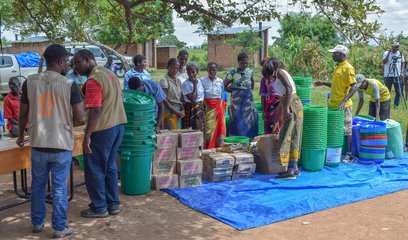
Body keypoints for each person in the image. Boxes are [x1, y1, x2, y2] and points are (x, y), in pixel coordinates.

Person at [16, 44, 83, 238]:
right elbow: (79, 118)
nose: (68, 65)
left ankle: (37, 223)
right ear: (61, 61)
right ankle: (59, 228)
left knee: (37, 185)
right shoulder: (69, 85)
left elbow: (22, 114)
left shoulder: (30, 82)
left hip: (38, 142)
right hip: (61, 144)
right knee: (60, 188)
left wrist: (21, 135)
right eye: (67, 62)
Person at [73, 49, 127, 218]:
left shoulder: (94, 80)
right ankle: (113, 204)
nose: (75, 67)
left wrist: (87, 136)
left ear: (88, 59)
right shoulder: (108, 74)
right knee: (110, 167)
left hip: (103, 129)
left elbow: (96, 110)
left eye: (77, 62)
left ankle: (99, 207)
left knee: (94, 168)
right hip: (118, 125)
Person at [315, 45, 358, 161]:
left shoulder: (348, 68)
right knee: (334, 128)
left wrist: (344, 101)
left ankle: (349, 154)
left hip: (343, 105)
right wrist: (323, 83)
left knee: (346, 129)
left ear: (342, 55)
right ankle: (336, 152)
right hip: (333, 104)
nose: (332, 55)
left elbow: (354, 86)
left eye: (335, 53)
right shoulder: (338, 67)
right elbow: (336, 85)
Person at [262, 58, 303, 180]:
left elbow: (289, 89)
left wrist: (286, 110)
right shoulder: (280, 75)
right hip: (293, 104)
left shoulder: (280, 72)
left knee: (286, 136)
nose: (269, 78)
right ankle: (294, 169)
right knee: (294, 135)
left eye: (268, 74)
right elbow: (281, 101)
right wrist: (276, 121)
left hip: (292, 104)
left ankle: (289, 170)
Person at [224, 52, 258, 138]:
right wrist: (234, 92)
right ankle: (236, 140)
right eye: (242, 63)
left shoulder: (250, 72)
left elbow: (252, 85)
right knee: (237, 120)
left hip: (248, 101)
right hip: (236, 102)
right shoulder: (232, 72)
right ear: (238, 62)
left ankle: (249, 139)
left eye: (246, 62)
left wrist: (248, 93)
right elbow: (224, 85)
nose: (245, 64)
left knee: (249, 119)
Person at [201, 62, 226, 148]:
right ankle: (209, 147)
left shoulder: (220, 81)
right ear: (207, 70)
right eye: (210, 70)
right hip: (207, 107)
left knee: (220, 127)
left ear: (216, 70)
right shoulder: (202, 80)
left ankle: (218, 147)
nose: (212, 72)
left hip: (218, 107)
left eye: (214, 70)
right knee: (209, 128)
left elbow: (223, 95)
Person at [160, 58, 185, 130]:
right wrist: (175, 111)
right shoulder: (164, 80)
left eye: (177, 68)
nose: (175, 70)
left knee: (178, 133)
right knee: (171, 135)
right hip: (169, 110)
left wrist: (182, 110)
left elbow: (181, 97)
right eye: (172, 68)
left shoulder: (178, 80)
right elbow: (164, 99)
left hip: (178, 110)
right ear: (167, 67)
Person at [181, 62, 205, 132]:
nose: (191, 74)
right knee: (191, 129)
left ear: (197, 72)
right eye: (189, 72)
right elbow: (193, 99)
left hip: (200, 107)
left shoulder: (200, 81)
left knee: (200, 128)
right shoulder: (186, 84)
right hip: (191, 108)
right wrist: (195, 85)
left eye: (193, 72)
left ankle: (200, 142)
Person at [260, 59, 281, 134]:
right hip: (269, 106)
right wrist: (263, 111)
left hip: (280, 103)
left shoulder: (280, 77)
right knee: (270, 125)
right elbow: (262, 96)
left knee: (280, 124)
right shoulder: (264, 79)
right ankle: (270, 142)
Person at [382, 42, 406, 109]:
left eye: (397, 47)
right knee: (387, 91)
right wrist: (389, 53)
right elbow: (384, 62)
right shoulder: (386, 53)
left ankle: (396, 105)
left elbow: (403, 62)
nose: (396, 48)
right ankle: (387, 104)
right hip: (388, 75)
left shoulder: (400, 53)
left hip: (397, 75)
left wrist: (401, 71)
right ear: (392, 47)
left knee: (398, 91)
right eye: (395, 47)